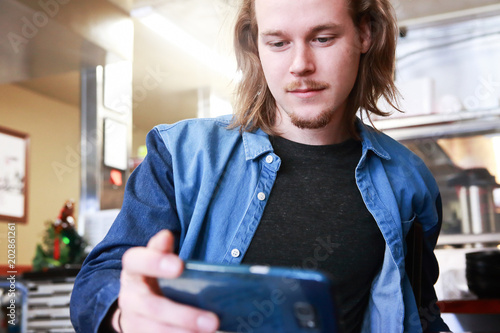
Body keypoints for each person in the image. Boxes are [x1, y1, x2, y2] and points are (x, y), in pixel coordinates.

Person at [70, 0, 451, 332]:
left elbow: (418, 311)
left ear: (365, 34)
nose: (300, 65)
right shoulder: (181, 154)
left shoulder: (409, 181)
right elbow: (99, 279)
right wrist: (125, 313)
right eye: (278, 42)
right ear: (256, 45)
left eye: (322, 38)